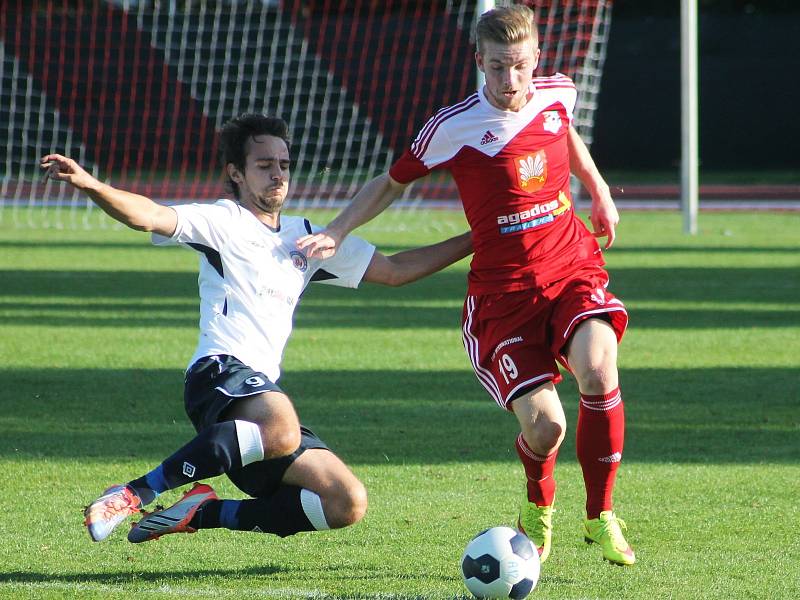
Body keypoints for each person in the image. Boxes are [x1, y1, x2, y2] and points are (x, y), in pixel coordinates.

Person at [297, 5, 634, 566]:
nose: (509, 81)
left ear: (536, 60)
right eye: (498, 67)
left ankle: (600, 517)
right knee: (548, 426)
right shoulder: (453, 126)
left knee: (599, 370)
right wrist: (336, 229)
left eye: (520, 66)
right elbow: (390, 183)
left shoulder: (558, 93)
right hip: (503, 302)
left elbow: (565, 132)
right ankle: (536, 505)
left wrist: (596, 188)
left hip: (571, 266)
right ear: (479, 61)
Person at [40, 113, 472, 544]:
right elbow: (149, 216)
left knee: (345, 501)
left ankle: (204, 513)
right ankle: (133, 493)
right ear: (236, 173)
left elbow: (396, 270)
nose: (277, 174)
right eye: (264, 165)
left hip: (259, 410)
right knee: (282, 427)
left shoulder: (307, 238)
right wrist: (92, 185)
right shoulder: (223, 221)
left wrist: (478, 237)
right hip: (218, 374)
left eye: (283, 164)